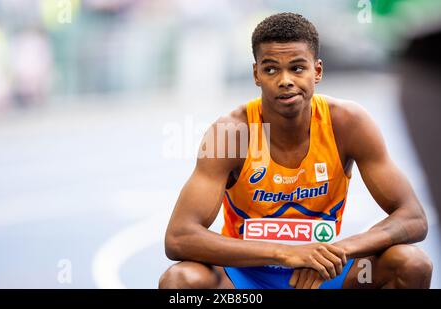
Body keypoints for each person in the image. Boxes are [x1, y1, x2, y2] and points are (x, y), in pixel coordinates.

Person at [159, 13, 432, 289]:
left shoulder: (347, 123)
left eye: (297, 68)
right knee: (181, 281)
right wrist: (286, 253)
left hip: (322, 271)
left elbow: (412, 216)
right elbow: (179, 237)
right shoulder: (233, 134)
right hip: (244, 277)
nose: (285, 80)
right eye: (271, 69)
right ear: (256, 74)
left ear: (318, 71)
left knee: (411, 264)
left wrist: (338, 251)